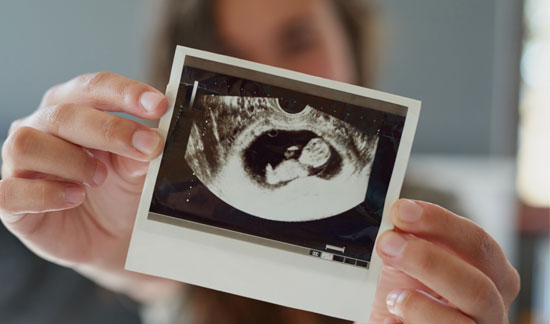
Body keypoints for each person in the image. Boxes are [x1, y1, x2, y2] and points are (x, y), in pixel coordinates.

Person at [0, 0, 520, 323]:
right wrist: (120, 257)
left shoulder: (431, 226)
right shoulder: (159, 228)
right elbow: (164, 285)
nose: (271, 79)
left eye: (298, 40)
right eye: (228, 53)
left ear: (353, 44)